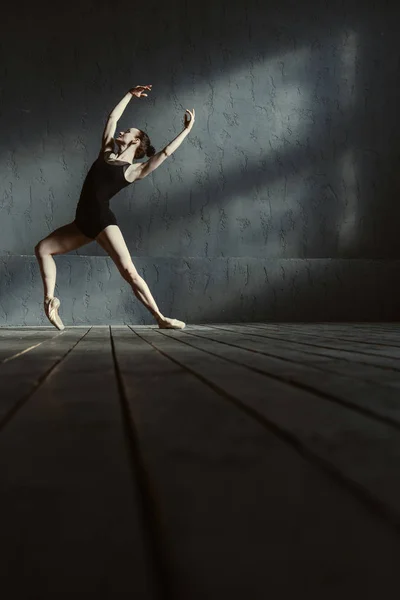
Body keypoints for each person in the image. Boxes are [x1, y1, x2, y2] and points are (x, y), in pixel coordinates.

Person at [34, 84, 195, 330]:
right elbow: (112, 117)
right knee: (43, 248)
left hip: (102, 220)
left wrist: (187, 130)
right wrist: (130, 95)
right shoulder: (106, 153)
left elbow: (164, 153)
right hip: (82, 222)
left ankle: (160, 318)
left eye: (129, 131)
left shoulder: (133, 171)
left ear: (136, 141)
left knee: (129, 272)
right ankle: (50, 301)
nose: (123, 130)